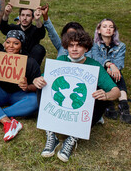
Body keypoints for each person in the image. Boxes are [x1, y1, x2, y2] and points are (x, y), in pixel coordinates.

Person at [33, 29, 120, 162]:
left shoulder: (94, 66)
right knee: (42, 86)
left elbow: (116, 91)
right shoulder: (61, 60)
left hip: (79, 106)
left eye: (78, 45)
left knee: (100, 96)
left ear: (86, 48)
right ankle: (51, 134)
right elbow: (42, 79)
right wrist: (36, 80)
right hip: (61, 105)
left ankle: (74, 136)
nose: (74, 49)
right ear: (66, 47)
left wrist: (107, 95)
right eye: (71, 45)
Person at [0, 30, 41, 142]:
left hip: (19, 94)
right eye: (8, 42)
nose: (10, 46)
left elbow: (37, 86)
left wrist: (28, 87)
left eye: (16, 43)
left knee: (35, 101)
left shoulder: (30, 62)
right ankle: (7, 121)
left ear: (21, 45)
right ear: (4, 44)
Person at [91, 18, 131, 123]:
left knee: (118, 72)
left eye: (111, 27)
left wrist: (113, 67)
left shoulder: (121, 46)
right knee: (105, 71)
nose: (108, 29)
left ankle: (124, 104)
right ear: (99, 30)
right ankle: (109, 103)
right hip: (99, 71)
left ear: (114, 31)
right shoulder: (94, 44)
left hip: (114, 72)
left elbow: (120, 62)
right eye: (104, 26)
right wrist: (109, 65)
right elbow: (96, 59)